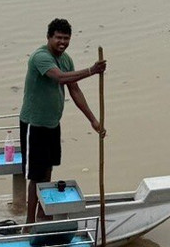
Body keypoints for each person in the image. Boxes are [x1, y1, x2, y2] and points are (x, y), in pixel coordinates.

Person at [18, 18, 106, 224]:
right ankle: (29, 223)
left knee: (48, 171)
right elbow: (60, 78)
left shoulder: (66, 59)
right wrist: (92, 70)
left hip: (52, 124)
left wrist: (93, 120)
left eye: (66, 39)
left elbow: (74, 89)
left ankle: (42, 214)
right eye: (58, 38)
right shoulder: (40, 57)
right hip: (34, 124)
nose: (62, 42)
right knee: (35, 176)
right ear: (49, 37)